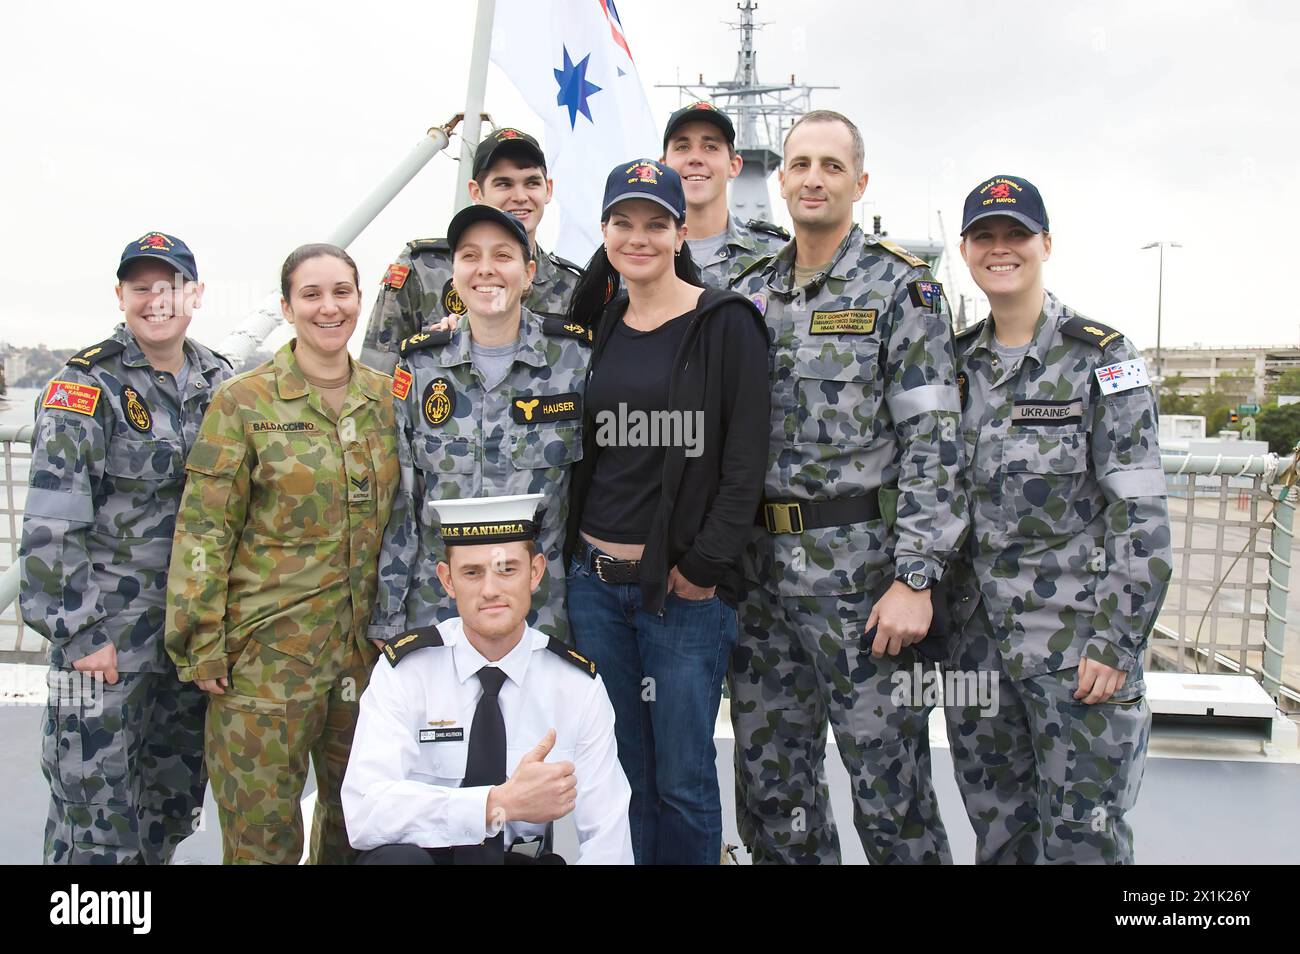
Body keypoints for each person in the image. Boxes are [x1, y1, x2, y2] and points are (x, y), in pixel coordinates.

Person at [728, 111, 967, 865]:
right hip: (760, 585)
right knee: (775, 790)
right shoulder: (747, 294)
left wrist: (916, 578)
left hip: (863, 586)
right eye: (800, 164)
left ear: (859, 183)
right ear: (783, 179)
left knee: (888, 790)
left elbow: (934, 441)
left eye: (831, 166)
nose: (812, 178)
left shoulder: (902, 290)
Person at [943, 175, 1171, 864]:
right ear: (964, 249)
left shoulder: (1104, 358)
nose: (1001, 248)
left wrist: (1116, 641)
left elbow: (1141, 514)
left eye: (1016, 234)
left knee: (1085, 841)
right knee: (1000, 836)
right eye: (986, 236)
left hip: (1076, 650)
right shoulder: (952, 366)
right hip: (975, 652)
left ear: (1046, 243)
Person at [562, 159, 770, 865]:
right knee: (621, 772)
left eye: (656, 223)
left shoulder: (725, 323)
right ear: (605, 230)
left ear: (682, 231)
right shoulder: (599, 323)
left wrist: (704, 568)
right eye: (624, 222)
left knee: (681, 779)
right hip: (595, 587)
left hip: (680, 592)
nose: (639, 237)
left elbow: (745, 462)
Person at [165, 243, 399, 864]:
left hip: (365, 660)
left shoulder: (387, 401)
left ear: (359, 299)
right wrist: (200, 638)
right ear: (287, 307)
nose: (330, 308)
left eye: (342, 293)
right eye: (312, 295)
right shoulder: (244, 403)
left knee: (358, 829)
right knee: (261, 840)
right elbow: (204, 529)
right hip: (264, 664)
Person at [20, 231, 232, 865]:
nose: (156, 299)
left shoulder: (221, 381)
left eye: (169, 286)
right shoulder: (85, 387)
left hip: (182, 643)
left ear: (194, 296)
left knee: (168, 805)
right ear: (121, 295)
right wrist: (82, 637)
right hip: (103, 644)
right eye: (142, 287)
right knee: (91, 814)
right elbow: (52, 526)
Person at [344, 494, 633, 865]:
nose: (490, 590)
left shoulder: (575, 685)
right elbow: (364, 813)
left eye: (508, 569)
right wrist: (495, 805)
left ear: (536, 572)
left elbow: (609, 839)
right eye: (472, 572)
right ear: (447, 581)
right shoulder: (407, 672)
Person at [369, 205, 589, 646]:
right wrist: (389, 613)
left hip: (540, 611)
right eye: (470, 256)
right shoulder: (421, 365)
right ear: (454, 275)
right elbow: (404, 500)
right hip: (438, 608)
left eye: (502, 256)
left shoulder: (576, 361)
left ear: (528, 274)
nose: (485, 269)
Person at [359, 127, 584, 373]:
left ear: (548, 190)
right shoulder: (423, 269)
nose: (520, 196)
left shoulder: (573, 288)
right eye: (503, 184)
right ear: (476, 192)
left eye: (531, 183)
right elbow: (377, 376)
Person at [659, 101, 788, 288]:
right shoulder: (637, 256)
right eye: (682, 147)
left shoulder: (778, 256)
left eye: (710, 146)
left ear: (734, 166)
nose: (695, 158)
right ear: (663, 166)